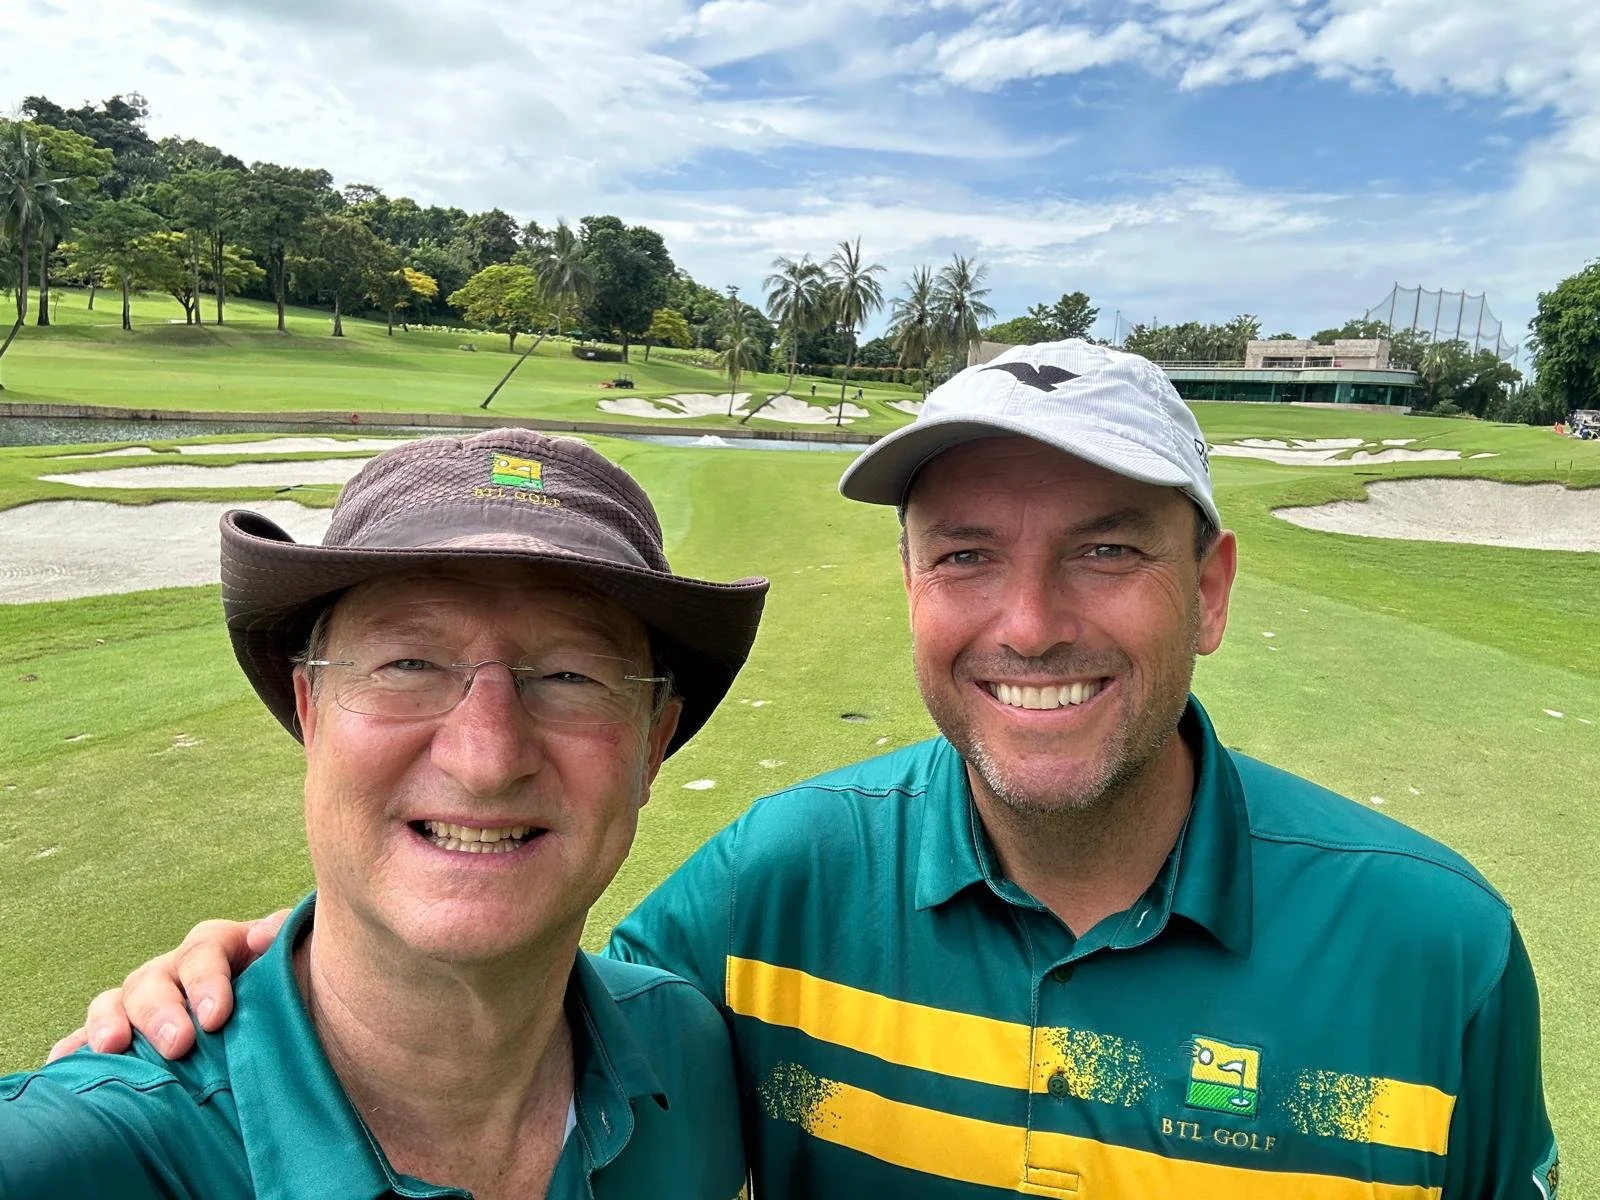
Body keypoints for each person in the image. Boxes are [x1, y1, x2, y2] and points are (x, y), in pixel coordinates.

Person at [61, 343, 1558, 1198]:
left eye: (1107, 550)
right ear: (913, 588)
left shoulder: (1436, 948)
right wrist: (255, 968)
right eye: (966, 555)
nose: (1030, 622)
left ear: (1212, 589)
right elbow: (492, 979)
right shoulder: (767, 892)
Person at [3, 429, 766, 1198]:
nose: (487, 759)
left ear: (652, 745)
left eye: (571, 675)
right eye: (409, 664)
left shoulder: (689, 1053)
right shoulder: (76, 1160)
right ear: (310, 707)